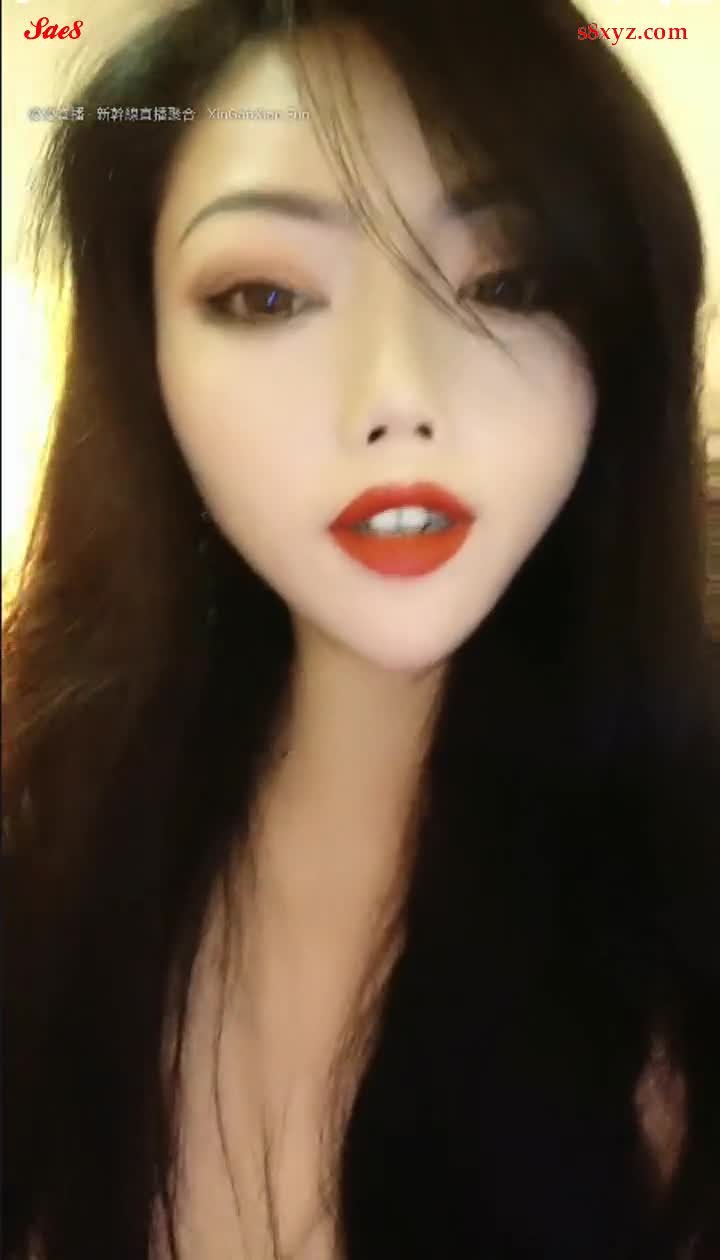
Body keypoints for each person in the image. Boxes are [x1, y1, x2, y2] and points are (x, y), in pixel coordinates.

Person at [3, 1, 719, 1257]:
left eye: (507, 282)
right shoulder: (47, 858)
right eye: (267, 294)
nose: (397, 395)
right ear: (141, 355)